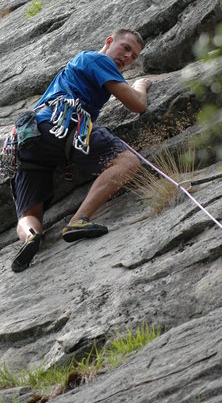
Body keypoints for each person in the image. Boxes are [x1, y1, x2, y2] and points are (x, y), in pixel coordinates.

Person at [11, 28, 151, 272]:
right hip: (63, 122)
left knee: (29, 212)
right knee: (128, 162)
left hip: (30, 137)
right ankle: (78, 221)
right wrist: (141, 85)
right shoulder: (97, 59)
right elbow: (137, 105)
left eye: (134, 57)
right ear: (109, 41)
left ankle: (31, 237)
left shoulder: (75, 67)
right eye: (125, 48)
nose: (127, 57)